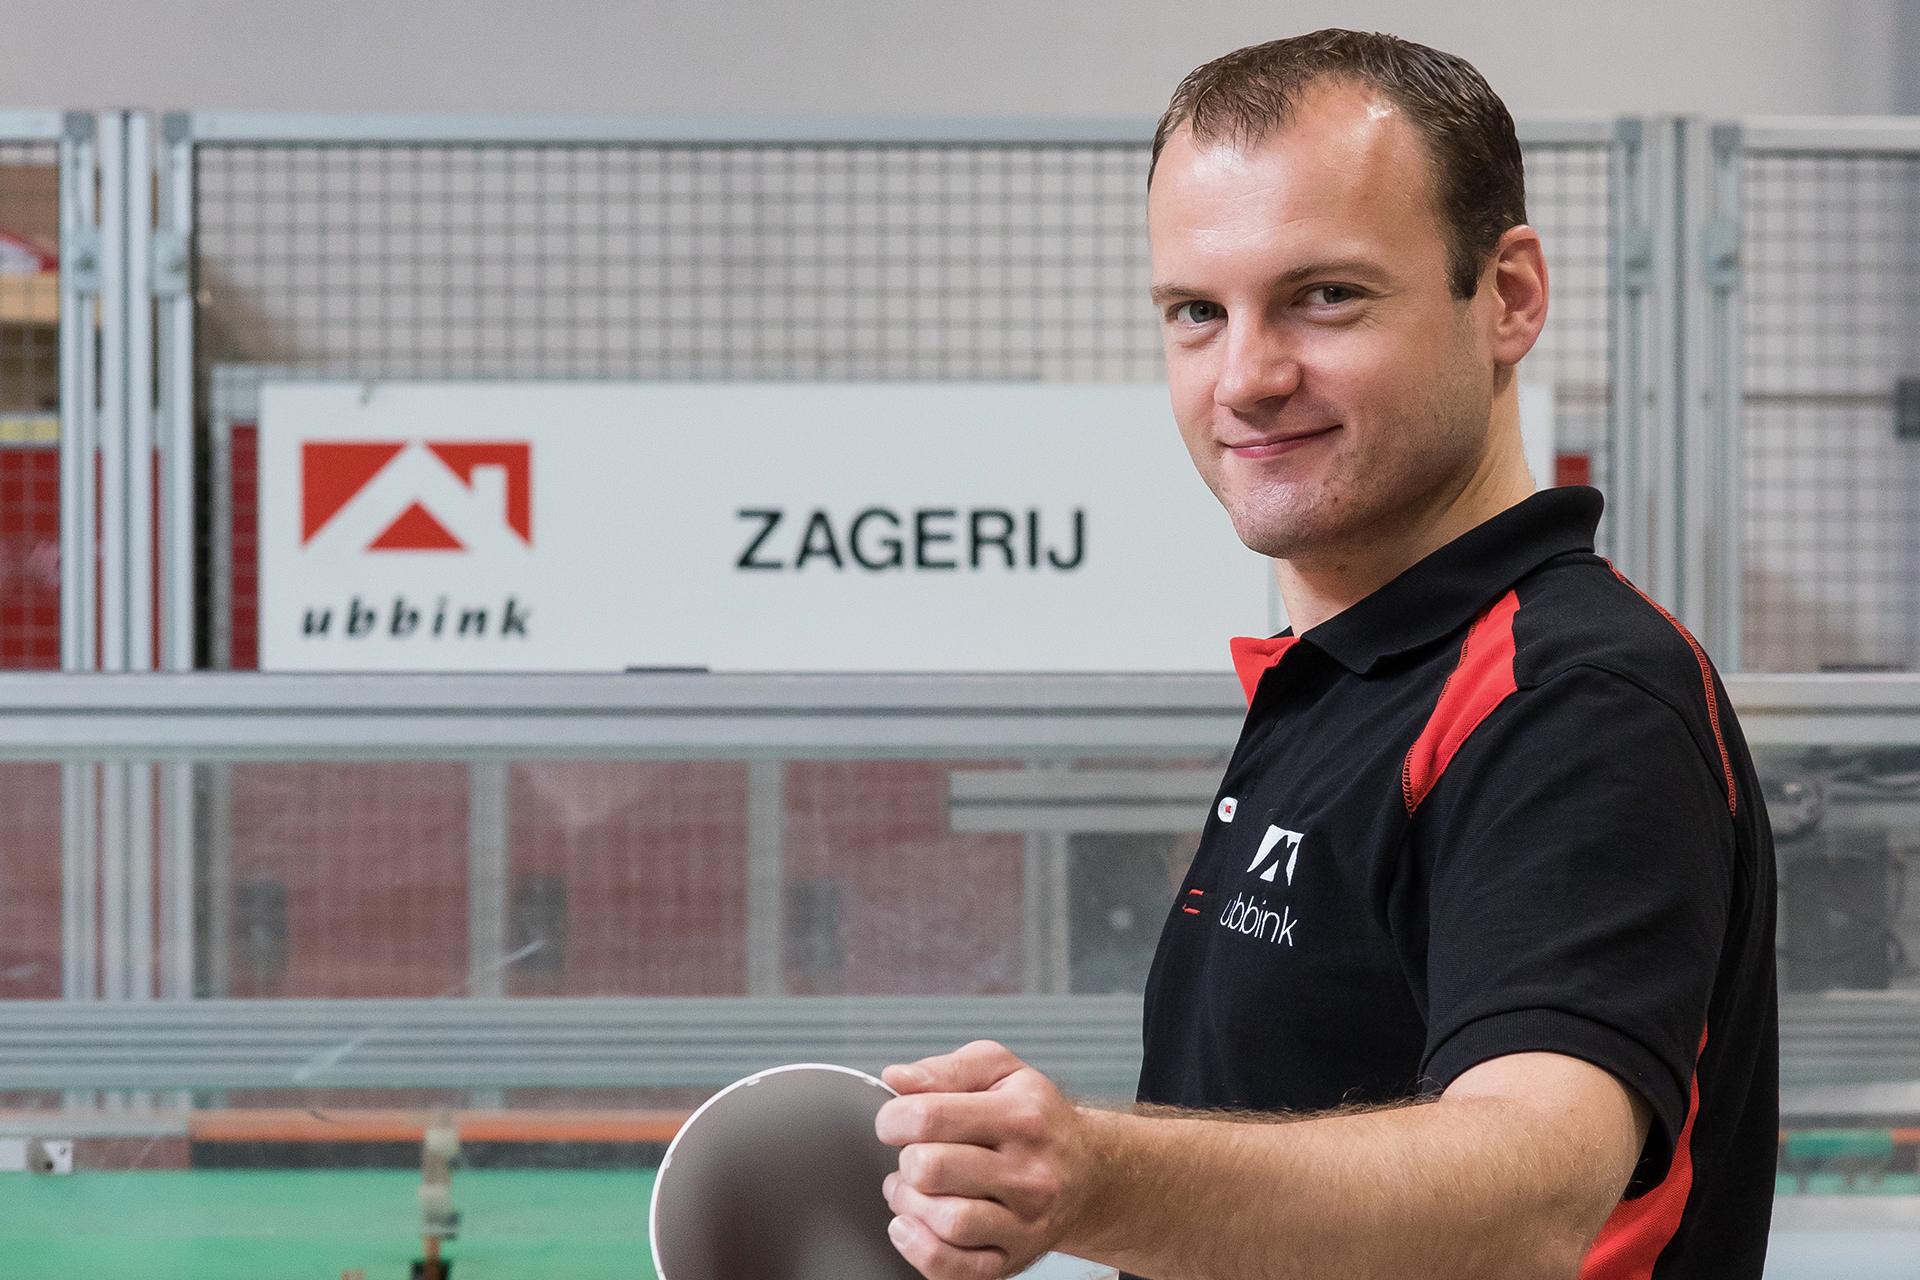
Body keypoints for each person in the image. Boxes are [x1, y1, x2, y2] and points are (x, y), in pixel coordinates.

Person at [875, 29, 1777, 1280]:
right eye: (1198, 312)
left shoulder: (1570, 696)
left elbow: (1533, 1186)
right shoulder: (1348, 676)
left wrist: (1100, 1174)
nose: (1245, 377)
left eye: (1326, 295)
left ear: (1508, 297)